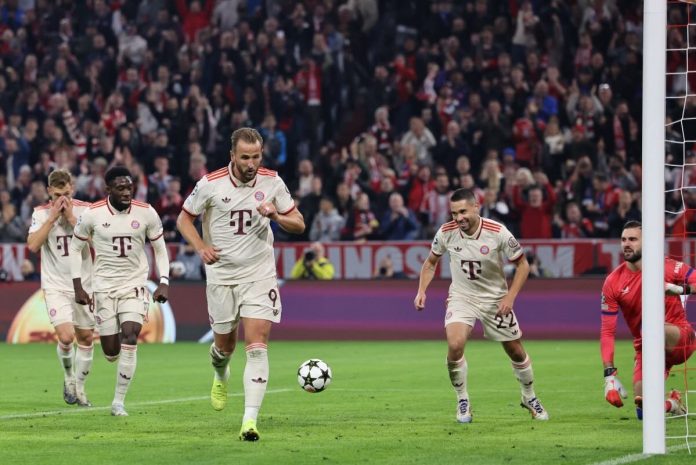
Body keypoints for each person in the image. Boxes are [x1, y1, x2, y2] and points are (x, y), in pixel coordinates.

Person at [176, 127, 305, 441]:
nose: (251, 163)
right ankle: (220, 373)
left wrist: (275, 215)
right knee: (225, 347)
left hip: (259, 274)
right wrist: (200, 247)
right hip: (222, 276)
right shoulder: (209, 184)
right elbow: (183, 219)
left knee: (257, 345)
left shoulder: (272, 182)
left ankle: (249, 421)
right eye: (245, 157)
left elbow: (299, 224)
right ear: (232, 155)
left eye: (256, 157)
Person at [414, 188, 549, 423]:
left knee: (515, 350)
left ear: (476, 207)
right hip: (462, 296)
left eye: (463, 211)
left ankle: (529, 396)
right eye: (454, 213)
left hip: (495, 299)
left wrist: (510, 297)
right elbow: (430, 263)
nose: (458, 218)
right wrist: (421, 291)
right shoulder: (446, 232)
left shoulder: (497, 232)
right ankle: (462, 400)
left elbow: (523, 265)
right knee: (455, 344)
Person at [70, 166, 170, 417]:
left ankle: (118, 402)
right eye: (121, 188)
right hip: (103, 287)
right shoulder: (92, 214)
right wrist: (78, 285)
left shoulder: (146, 213)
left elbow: (159, 248)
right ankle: (94, 376)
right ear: (108, 189)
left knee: (131, 335)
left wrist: (165, 280)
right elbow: (74, 249)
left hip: (134, 285)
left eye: (129, 187)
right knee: (111, 352)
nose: (127, 192)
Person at [600, 220, 693, 419]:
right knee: (644, 411)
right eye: (624, 239)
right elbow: (607, 331)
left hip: (680, 338)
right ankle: (672, 403)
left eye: (633, 239)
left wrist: (680, 289)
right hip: (646, 348)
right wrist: (609, 375)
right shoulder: (613, 282)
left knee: (652, 329)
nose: (627, 244)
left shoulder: (666, 267)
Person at [26, 169, 95, 407]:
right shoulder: (40, 213)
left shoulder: (86, 211)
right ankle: (68, 378)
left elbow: (99, 243)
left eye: (66, 194)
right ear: (49, 192)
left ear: (72, 189)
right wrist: (53, 218)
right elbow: (33, 245)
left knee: (86, 338)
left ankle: (81, 388)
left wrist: (73, 219)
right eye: (57, 195)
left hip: (85, 285)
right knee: (66, 336)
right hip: (56, 285)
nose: (62, 200)